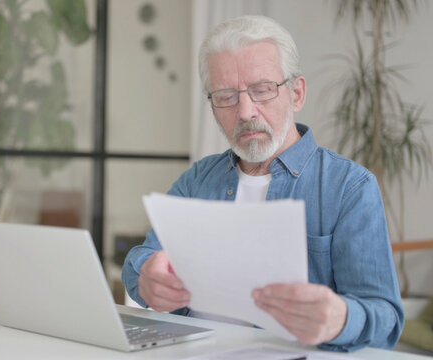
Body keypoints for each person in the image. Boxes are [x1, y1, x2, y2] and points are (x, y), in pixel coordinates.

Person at [122, 15, 404, 352]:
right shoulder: (197, 179)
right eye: (226, 96)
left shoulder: (349, 188)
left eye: (262, 90)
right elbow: (143, 259)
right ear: (212, 106)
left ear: (296, 94)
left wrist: (340, 319)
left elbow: (385, 318)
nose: (245, 111)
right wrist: (146, 278)